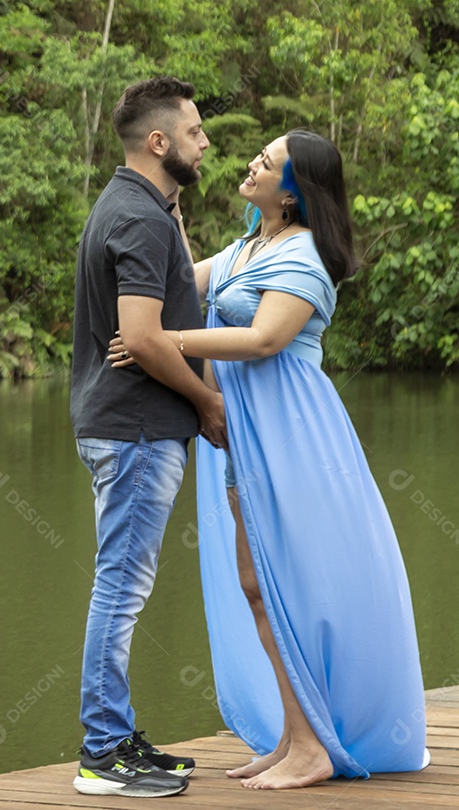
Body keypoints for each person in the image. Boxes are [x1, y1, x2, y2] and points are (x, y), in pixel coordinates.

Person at [110, 129, 430, 789]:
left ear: (295, 189)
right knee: (258, 585)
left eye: (269, 162)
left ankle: (313, 747)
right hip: (248, 433)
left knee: (286, 583)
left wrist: (159, 338)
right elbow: (179, 280)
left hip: (294, 433)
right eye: (258, 155)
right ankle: (296, 736)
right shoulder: (251, 245)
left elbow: (261, 339)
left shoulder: (306, 256)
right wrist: (157, 210)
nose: (252, 163)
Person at [69, 76, 227, 799]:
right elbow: (141, 335)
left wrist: (175, 211)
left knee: (121, 584)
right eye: (194, 133)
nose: (206, 143)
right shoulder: (139, 218)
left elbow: (166, 306)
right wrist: (206, 404)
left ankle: (118, 735)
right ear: (159, 142)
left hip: (127, 427)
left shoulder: (139, 207)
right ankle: (102, 753)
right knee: (121, 590)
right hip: (137, 430)